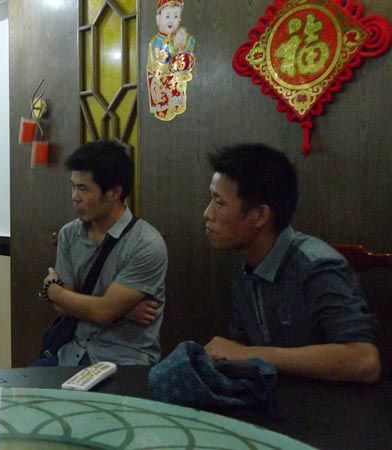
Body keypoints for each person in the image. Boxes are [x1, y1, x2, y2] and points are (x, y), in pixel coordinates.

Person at [202, 143, 381, 383]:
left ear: (260, 215)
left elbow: (364, 361)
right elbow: (240, 345)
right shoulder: (244, 261)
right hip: (273, 397)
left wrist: (251, 354)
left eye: (219, 203)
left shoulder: (317, 265)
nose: (207, 213)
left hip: (329, 401)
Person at [37, 140, 168, 366]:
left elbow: (103, 312)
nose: (75, 197)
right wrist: (121, 311)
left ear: (114, 193)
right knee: (20, 386)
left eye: (83, 189)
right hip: (72, 353)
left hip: (124, 360)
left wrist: (53, 290)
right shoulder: (69, 234)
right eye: (73, 186)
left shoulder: (146, 244)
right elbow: (63, 308)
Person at [146, 0, 196, 121]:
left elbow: (190, 45)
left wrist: (183, 43)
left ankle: (178, 105)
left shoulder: (180, 36)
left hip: (176, 79)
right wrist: (177, 46)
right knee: (164, 104)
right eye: (167, 16)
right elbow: (163, 59)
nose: (171, 20)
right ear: (158, 19)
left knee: (178, 97)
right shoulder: (156, 41)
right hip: (161, 78)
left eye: (175, 16)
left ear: (179, 19)